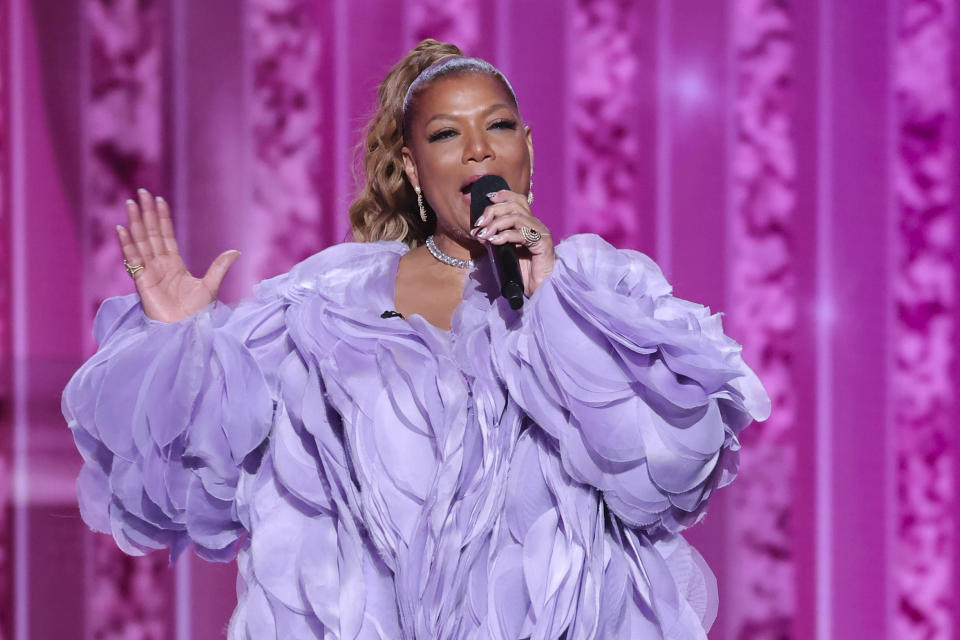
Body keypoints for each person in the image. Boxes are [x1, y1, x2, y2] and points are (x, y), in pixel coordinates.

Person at [62, 39, 770, 639]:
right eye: (444, 134)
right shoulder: (326, 303)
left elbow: (672, 472)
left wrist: (554, 300)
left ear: (527, 147)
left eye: (497, 126)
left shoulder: (604, 286)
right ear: (411, 167)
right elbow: (199, 478)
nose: (475, 150)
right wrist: (179, 339)